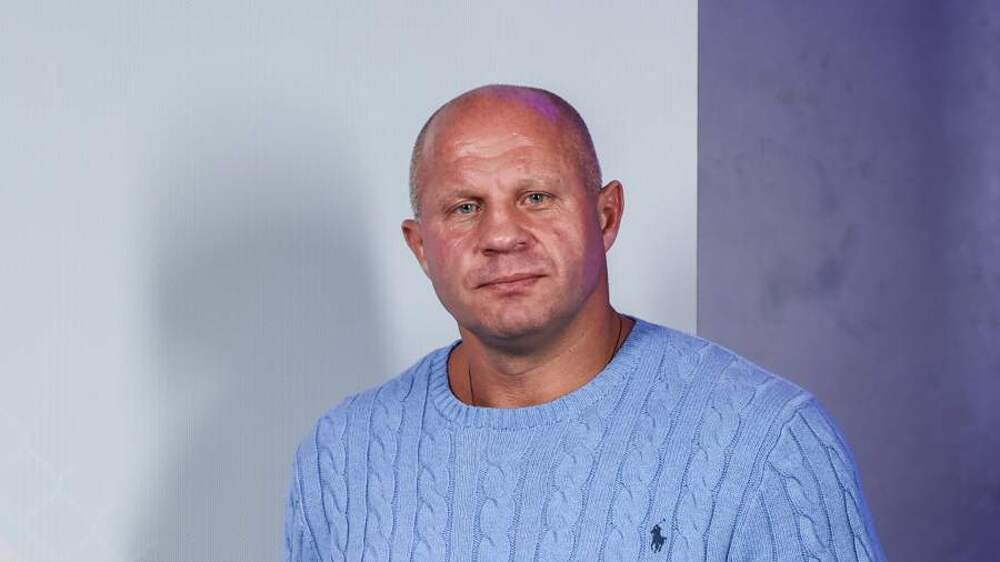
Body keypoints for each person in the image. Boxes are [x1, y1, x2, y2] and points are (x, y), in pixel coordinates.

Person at [282, 84, 886, 561]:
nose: (501, 235)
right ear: (421, 247)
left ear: (606, 216)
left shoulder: (767, 443)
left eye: (536, 197)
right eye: (465, 207)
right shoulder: (342, 455)